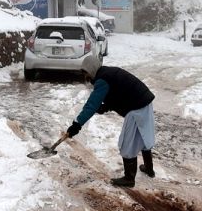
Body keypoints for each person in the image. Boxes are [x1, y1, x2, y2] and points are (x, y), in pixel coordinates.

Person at [66, 58, 156, 188]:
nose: (86, 76)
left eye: (86, 72)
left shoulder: (102, 80)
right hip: (144, 102)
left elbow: (91, 105)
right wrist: (106, 106)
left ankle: (129, 178)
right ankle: (149, 169)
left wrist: (77, 124)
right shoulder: (107, 73)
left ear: (91, 69)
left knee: (127, 143)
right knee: (143, 136)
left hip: (136, 108)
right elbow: (119, 93)